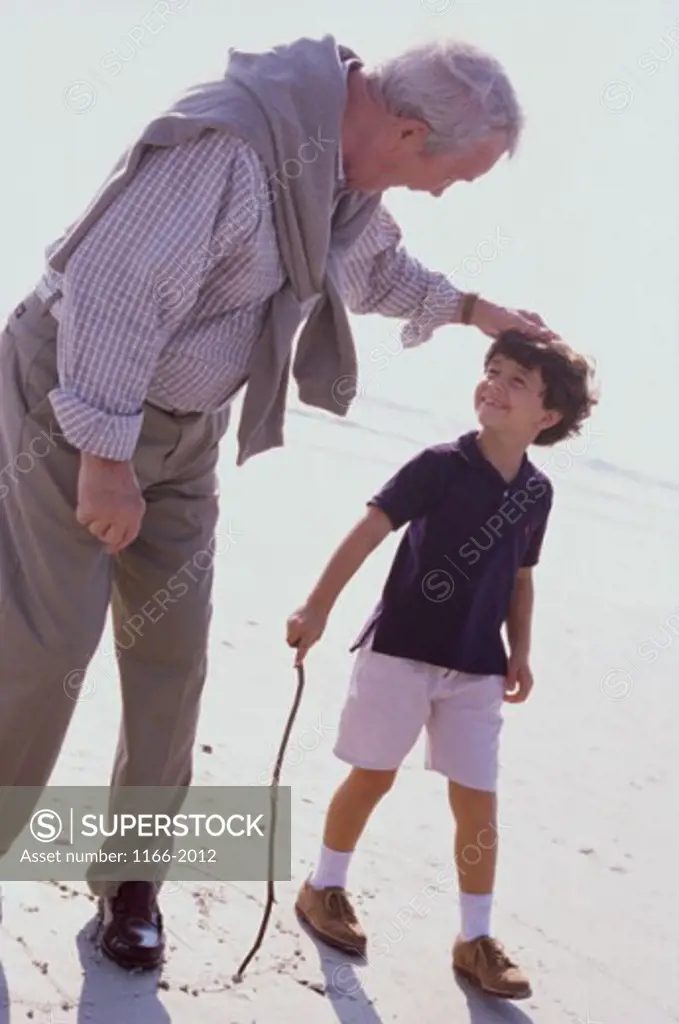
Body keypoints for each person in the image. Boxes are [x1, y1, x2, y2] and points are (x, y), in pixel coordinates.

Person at [0, 33, 559, 972]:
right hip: (78, 403)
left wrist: (472, 310)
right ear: (409, 130)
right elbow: (112, 291)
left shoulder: (345, 174)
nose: (439, 194)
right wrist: (103, 457)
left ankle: (132, 879)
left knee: (171, 655)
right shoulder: (230, 145)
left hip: (186, 429)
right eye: (451, 176)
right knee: (47, 645)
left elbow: (375, 271)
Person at [286, 330, 598, 1000]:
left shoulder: (535, 494)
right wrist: (315, 607)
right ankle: (324, 887)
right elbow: (369, 530)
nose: (495, 383)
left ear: (545, 417)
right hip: (399, 648)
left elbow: (520, 576)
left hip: (476, 668)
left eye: (517, 380)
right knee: (371, 777)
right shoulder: (438, 464)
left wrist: (521, 651)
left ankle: (474, 938)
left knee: (478, 806)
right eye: (492, 369)